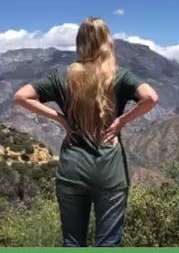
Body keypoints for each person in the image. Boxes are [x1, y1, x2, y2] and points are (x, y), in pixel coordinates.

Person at [13, 17, 159, 247]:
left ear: (79, 43)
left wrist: (59, 118)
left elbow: (21, 96)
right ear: (107, 42)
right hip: (109, 171)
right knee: (109, 243)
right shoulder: (119, 76)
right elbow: (151, 97)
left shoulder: (62, 76)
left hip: (72, 169)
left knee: (72, 242)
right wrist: (121, 121)